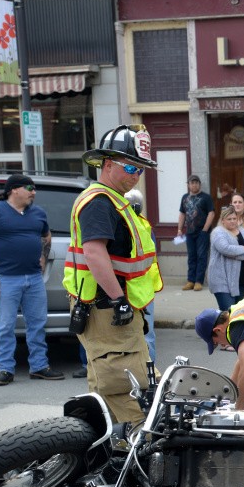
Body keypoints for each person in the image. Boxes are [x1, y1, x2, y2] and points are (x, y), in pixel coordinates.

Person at [65, 124, 162, 424]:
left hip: (111, 305)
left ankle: (106, 442)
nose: (136, 175)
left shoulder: (114, 200)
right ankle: (137, 445)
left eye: (140, 169)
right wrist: (119, 300)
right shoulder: (99, 202)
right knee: (126, 383)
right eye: (130, 167)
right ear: (107, 165)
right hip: (107, 306)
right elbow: (95, 253)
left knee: (108, 384)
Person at [0, 174, 65, 386]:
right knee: (5, 325)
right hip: (5, 278)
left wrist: (43, 257)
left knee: (37, 324)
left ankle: (39, 366)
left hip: (34, 278)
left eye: (34, 188)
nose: (34, 192)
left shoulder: (37, 212)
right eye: (29, 188)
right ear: (14, 190)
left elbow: (46, 235)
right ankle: (5, 369)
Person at [124, 188, 158, 363]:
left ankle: (146, 371)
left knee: (142, 334)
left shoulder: (139, 226)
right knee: (146, 332)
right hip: (142, 286)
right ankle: (150, 371)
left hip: (134, 285)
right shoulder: (145, 225)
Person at [208, 207, 244, 311]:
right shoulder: (218, 232)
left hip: (241, 280)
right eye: (229, 219)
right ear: (222, 220)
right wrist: (243, 248)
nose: (232, 221)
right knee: (228, 313)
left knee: (237, 313)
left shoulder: (243, 232)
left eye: (234, 218)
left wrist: (237, 256)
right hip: (223, 281)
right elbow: (225, 248)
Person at [177, 174, 215, 291]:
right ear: (188, 185)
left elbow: (211, 213)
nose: (194, 185)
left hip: (202, 232)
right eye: (192, 183)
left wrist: (205, 229)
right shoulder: (185, 198)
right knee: (191, 257)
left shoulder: (206, 197)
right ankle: (190, 281)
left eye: (196, 183)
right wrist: (179, 230)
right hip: (189, 232)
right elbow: (182, 214)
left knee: (202, 256)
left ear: (199, 184)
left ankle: (199, 281)